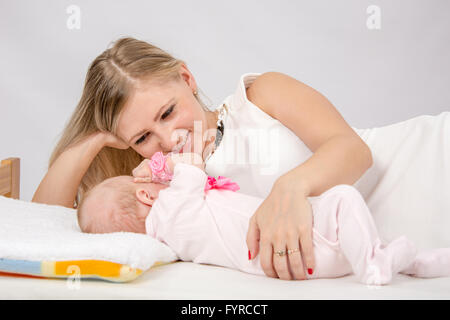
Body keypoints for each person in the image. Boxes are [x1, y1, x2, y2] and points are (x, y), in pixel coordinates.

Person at [32, 36, 449, 281]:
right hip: (389, 253)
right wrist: (93, 139)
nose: (168, 139)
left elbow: (354, 152)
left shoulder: (258, 95)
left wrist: (290, 188)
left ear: (187, 79)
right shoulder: (166, 193)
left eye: (167, 112)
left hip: (425, 167)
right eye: (142, 136)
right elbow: (41, 226)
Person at [76, 151, 450, 285]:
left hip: (296, 257)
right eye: (140, 182)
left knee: (341, 216)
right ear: (145, 193)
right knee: (343, 198)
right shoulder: (173, 208)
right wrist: (163, 166)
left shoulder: (169, 242)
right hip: (298, 244)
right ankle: (374, 265)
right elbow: (191, 165)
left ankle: (411, 263)